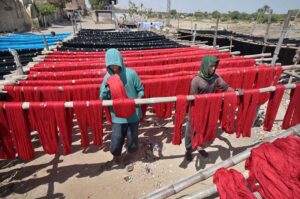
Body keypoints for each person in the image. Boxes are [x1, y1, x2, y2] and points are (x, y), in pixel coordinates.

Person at [184, 55, 235, 161]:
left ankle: (198, 145)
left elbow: (225, 87)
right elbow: (192, 98)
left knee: (203, 128)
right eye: (211, 66)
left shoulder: (215, 78)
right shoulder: (196, 80)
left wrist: (236, 92)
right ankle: (188, 149)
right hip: (195, 109)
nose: (213, 69)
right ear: (205, 66)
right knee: (191, 128)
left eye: (215, 66)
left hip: (208, 109)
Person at [100, 48, 144, 164]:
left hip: (133, 113)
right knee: (116, 138)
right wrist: (107, 89)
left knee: (132, 136)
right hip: (117, 115)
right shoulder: (107, 78)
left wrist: (138, 101)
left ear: (120, 61)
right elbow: (102, 97)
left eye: (116, 63)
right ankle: (116, 154)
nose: (114, 66)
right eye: (111, 64)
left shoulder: (131, 73)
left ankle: (130, 153)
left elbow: (140, 90)